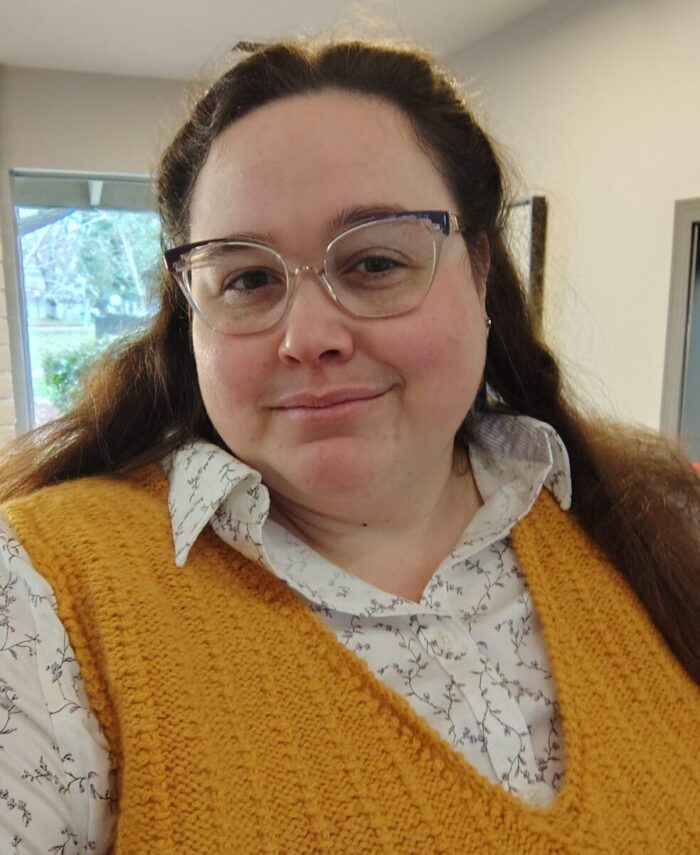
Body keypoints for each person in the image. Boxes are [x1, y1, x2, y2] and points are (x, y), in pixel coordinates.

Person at [0, 39, 698, 854]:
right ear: (192, 312)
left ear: (479, 271)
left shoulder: (657, 523)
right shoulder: (46, 591)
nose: (309, 336)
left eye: (373, 260)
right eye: (248, 279)